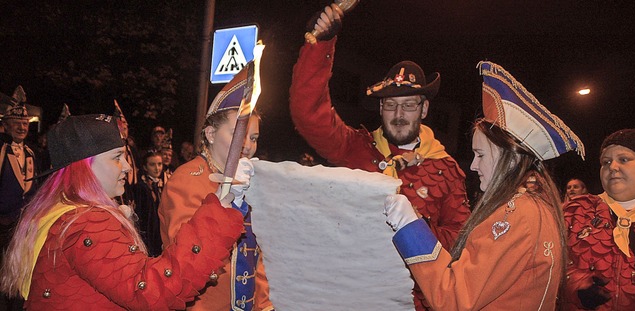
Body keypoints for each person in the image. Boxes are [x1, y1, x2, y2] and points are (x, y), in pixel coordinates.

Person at [290, 5, 470, 309]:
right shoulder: (356, 148)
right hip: (351, 296)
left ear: (424, 110)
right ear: (380, 108)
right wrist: (321, 45)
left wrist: (408, 231)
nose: (399, 116)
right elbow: (308, 115)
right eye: (390, 105)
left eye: (409, 106)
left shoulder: (446, 169)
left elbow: (461, 242)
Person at [384, 61, 584, 309]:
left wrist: (410, 228)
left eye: (480, 155)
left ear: (509, 158)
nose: (473, 166)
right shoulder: (535, 205)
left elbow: (454, 298)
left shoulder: (515, 214)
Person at [0, 114, 245, 310]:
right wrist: (216, 217)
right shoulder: (87, 223)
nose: (128, 166)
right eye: (116, 157)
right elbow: (151, 291)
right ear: (84, 168)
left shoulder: (65, 213)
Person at [158, 67, 272, 311]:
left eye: (253, 137)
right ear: (210, 134)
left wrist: (264, 305)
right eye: (237, 133)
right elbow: (188, 257)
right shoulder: (186, 179)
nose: (247, 146)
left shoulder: (251, 183)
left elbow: (258, 258)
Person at [562, 129, 635, 310]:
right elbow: (547, 261)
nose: (612, 166)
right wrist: (575, 284)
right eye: (606, 162)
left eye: (624, 159)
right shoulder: (577, 210)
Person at [0, 88, 38, 311]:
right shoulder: (2, 151)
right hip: (3, 222)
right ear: (6, 125)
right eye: (17, 123)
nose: (22, 127)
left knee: (20, 272)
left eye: (25, 124)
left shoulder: (32, 154)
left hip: (24, 223)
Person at [132, 151, 165, 257]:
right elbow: (143, 216)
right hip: (149, 235)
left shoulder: (161, 184)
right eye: (152, 164)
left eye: (159, 164)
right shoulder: (141, 187)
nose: (157, 168)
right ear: (145, 167)